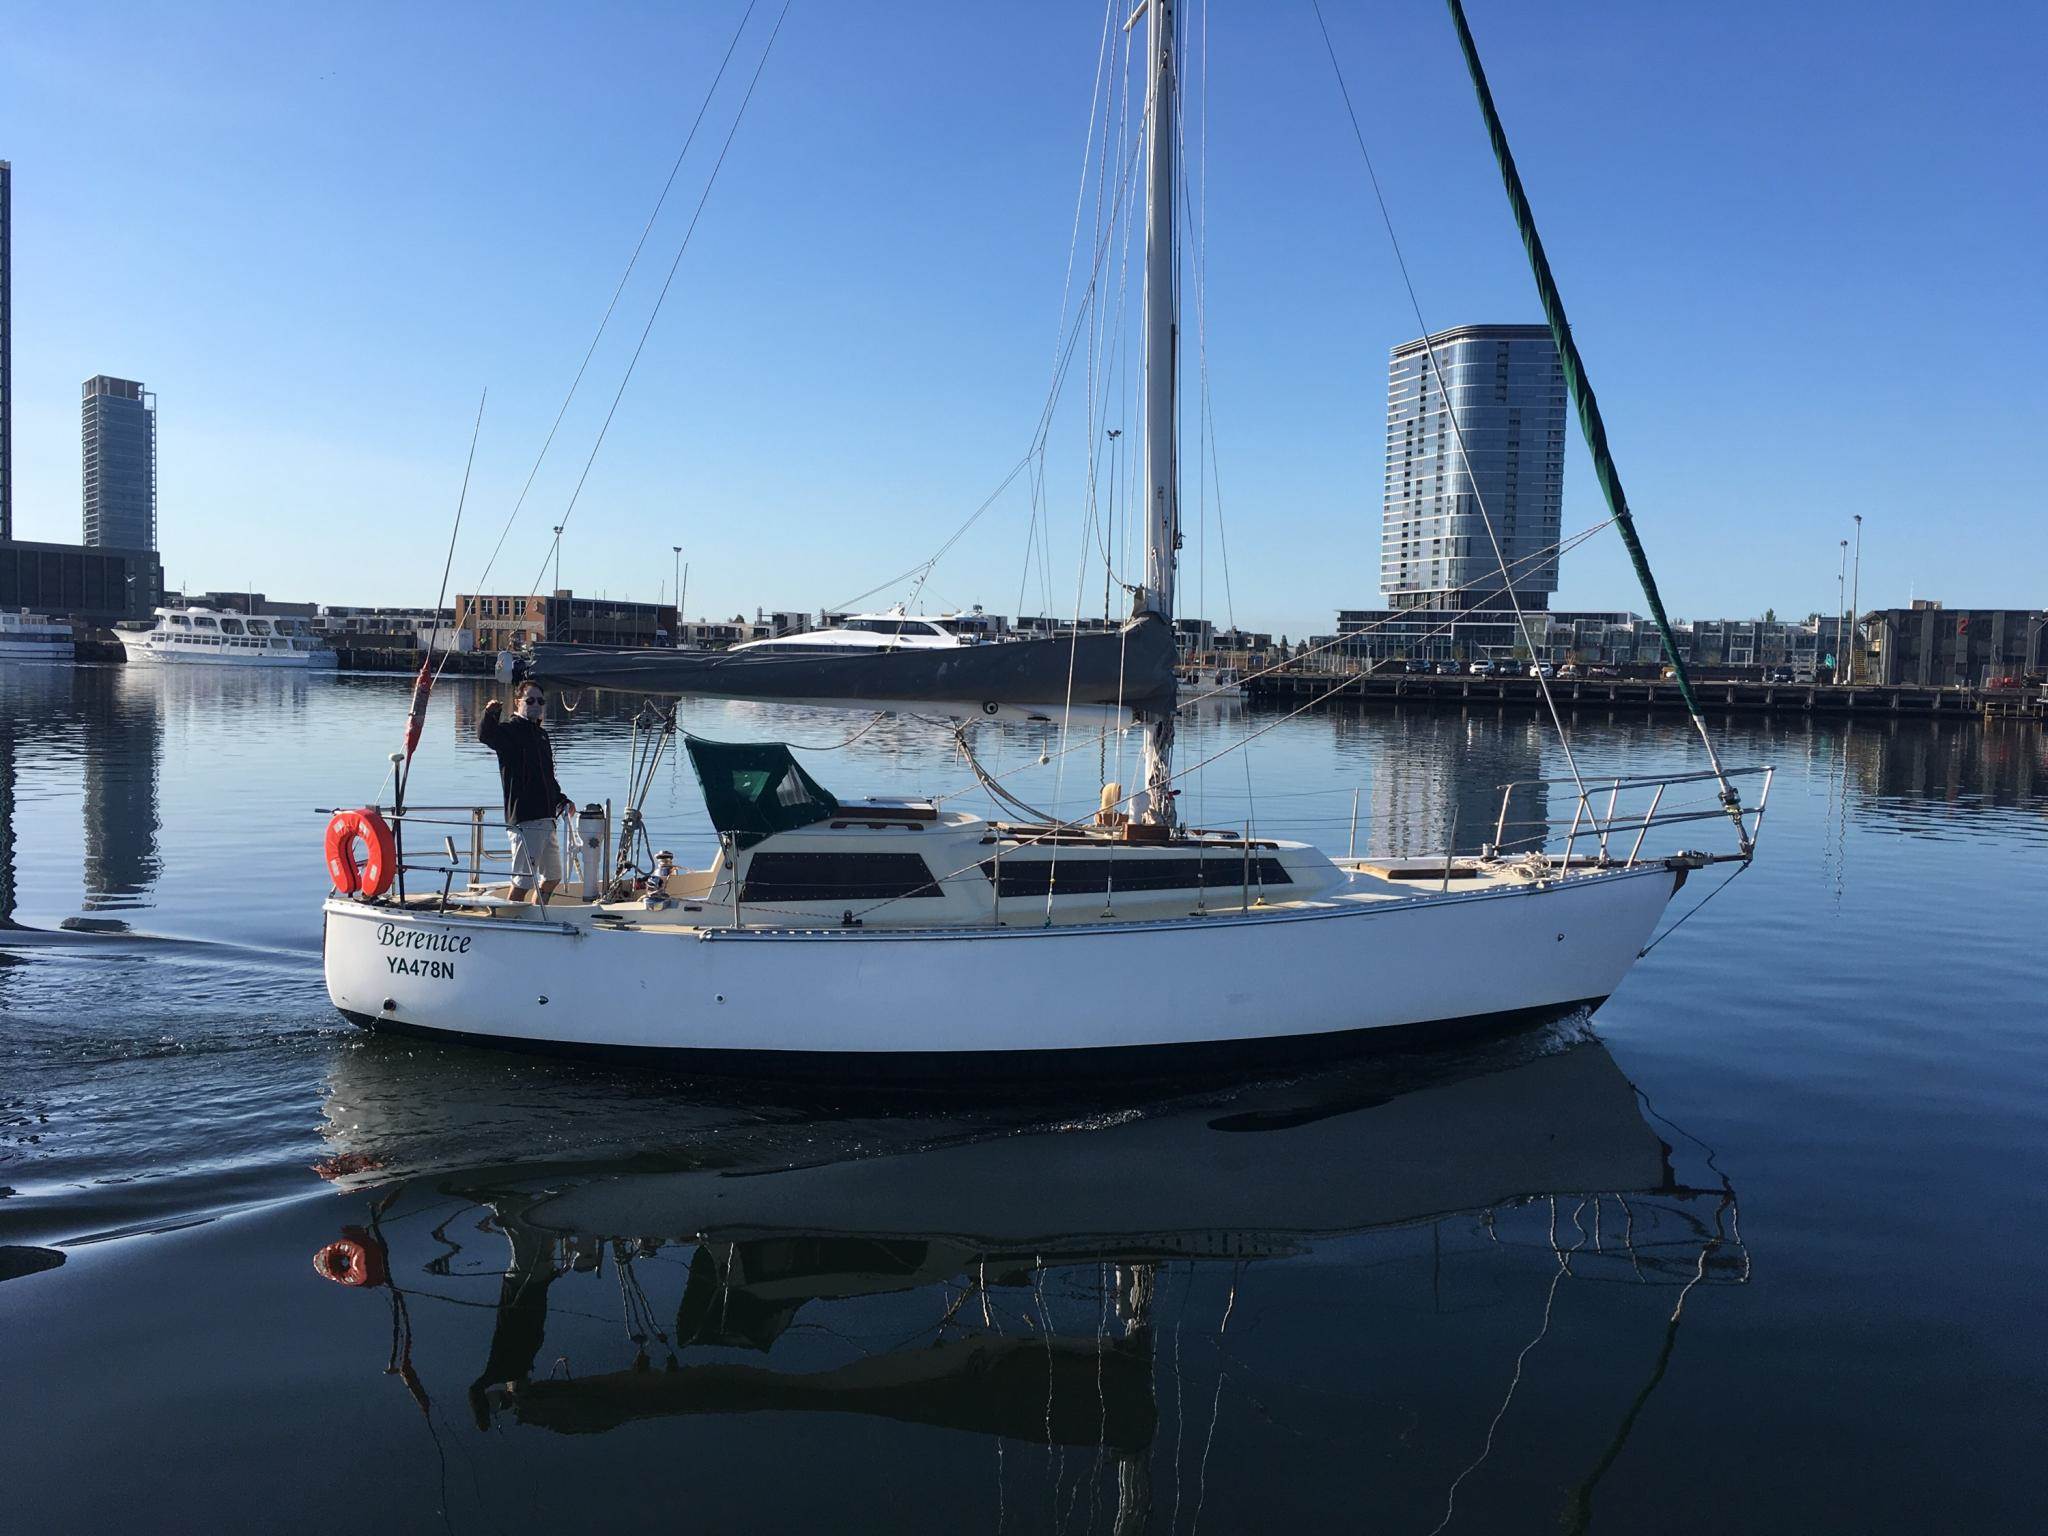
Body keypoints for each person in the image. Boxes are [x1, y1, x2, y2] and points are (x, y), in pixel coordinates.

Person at [479, 684, 572, 904]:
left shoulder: (541, 735)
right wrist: (491, 713)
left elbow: (548, 777)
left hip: (547, 818)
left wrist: (561, 799)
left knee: (552, 877)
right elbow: (485, 735)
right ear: (518, 702)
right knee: (523, 881)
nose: (536, 705)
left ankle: (537, 913)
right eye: (530, 701)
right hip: (525, 819)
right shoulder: (509, 731)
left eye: (540, 701)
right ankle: (513, 922)